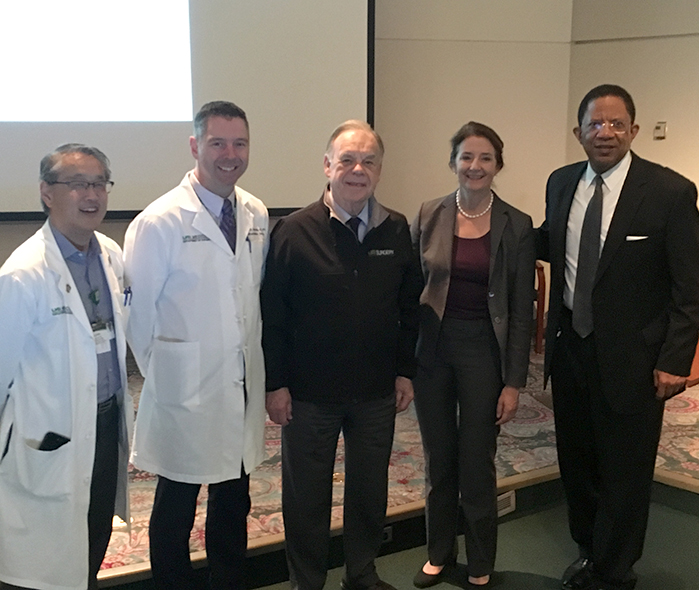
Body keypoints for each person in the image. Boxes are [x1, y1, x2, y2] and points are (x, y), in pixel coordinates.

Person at [536, 84, 699, 590]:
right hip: (571, 350)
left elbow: (689, 287)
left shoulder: (671, 192)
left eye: (614, 123)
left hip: (636, 358)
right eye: (594, 124)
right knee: (577, 462)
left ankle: (615, 569)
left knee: (625, 469)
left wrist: (676, 360)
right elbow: (545, 240)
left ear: (632, 128)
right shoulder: (561, 182)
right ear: (577, 132)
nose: (604, 133)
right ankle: (589, 551)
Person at [262, 120, 422, 590]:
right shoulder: (293, 231)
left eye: (368, 161)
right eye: (347, 160)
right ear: (327, 166)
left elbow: (407, 307)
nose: (358, 170)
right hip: (309, 395)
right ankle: (306, 582)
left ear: (379, 170)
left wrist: (404, 372)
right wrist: (277, 384)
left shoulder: (395, 228)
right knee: (307, 497)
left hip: (375, 392)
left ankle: (362, 573)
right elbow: (273, 315)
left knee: (369, 492)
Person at [124, 101, 269, 590]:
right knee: (176, 505)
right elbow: (137, 318)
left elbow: (251, 299)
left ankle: (229, 581)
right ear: (195, 146)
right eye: (217, 143)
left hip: (240, 385)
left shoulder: (256, 213)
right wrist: (174, 369)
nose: (230, 155)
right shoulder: (159, 221)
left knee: (234, 501)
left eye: (239, 143)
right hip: (183, 391)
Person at [0, 144, 132, 590]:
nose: (91, 194)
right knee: (41, 559)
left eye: (99, 183)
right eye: (76, 184)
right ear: (46, 192)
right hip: (48, 435)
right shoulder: (23, 274)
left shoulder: (110, 254)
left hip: (105, 421)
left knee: (91, 536)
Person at [410, 122, 535, 588]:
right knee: (438, 456)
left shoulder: (516, 224)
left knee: (476, 459)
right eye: (466, 157)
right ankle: (439, 553)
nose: (475, 166)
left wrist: (514, 382)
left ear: (497, 165)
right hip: (433, 353)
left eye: (485, 158)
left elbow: (522, 309)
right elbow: (410, 291)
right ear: (453, 163)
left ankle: (481, 560)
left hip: (484, 352)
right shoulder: (428, 213)